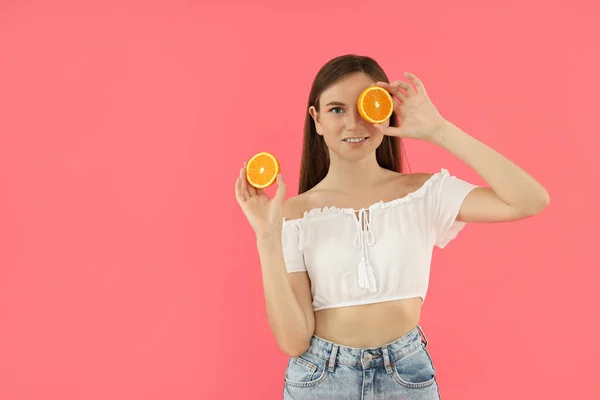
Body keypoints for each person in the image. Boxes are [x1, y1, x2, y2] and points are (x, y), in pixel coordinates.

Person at [234, 54, 550, 399]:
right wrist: (266, 236)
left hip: (405, 376)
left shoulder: (423, 194)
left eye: (365, 106)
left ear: (384, 111)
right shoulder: (293, 213)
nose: (353, 123)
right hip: (320, 381)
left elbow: (529, 200)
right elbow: (294, 340)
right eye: (337, 109)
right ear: (317, 119)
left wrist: (440, 130)